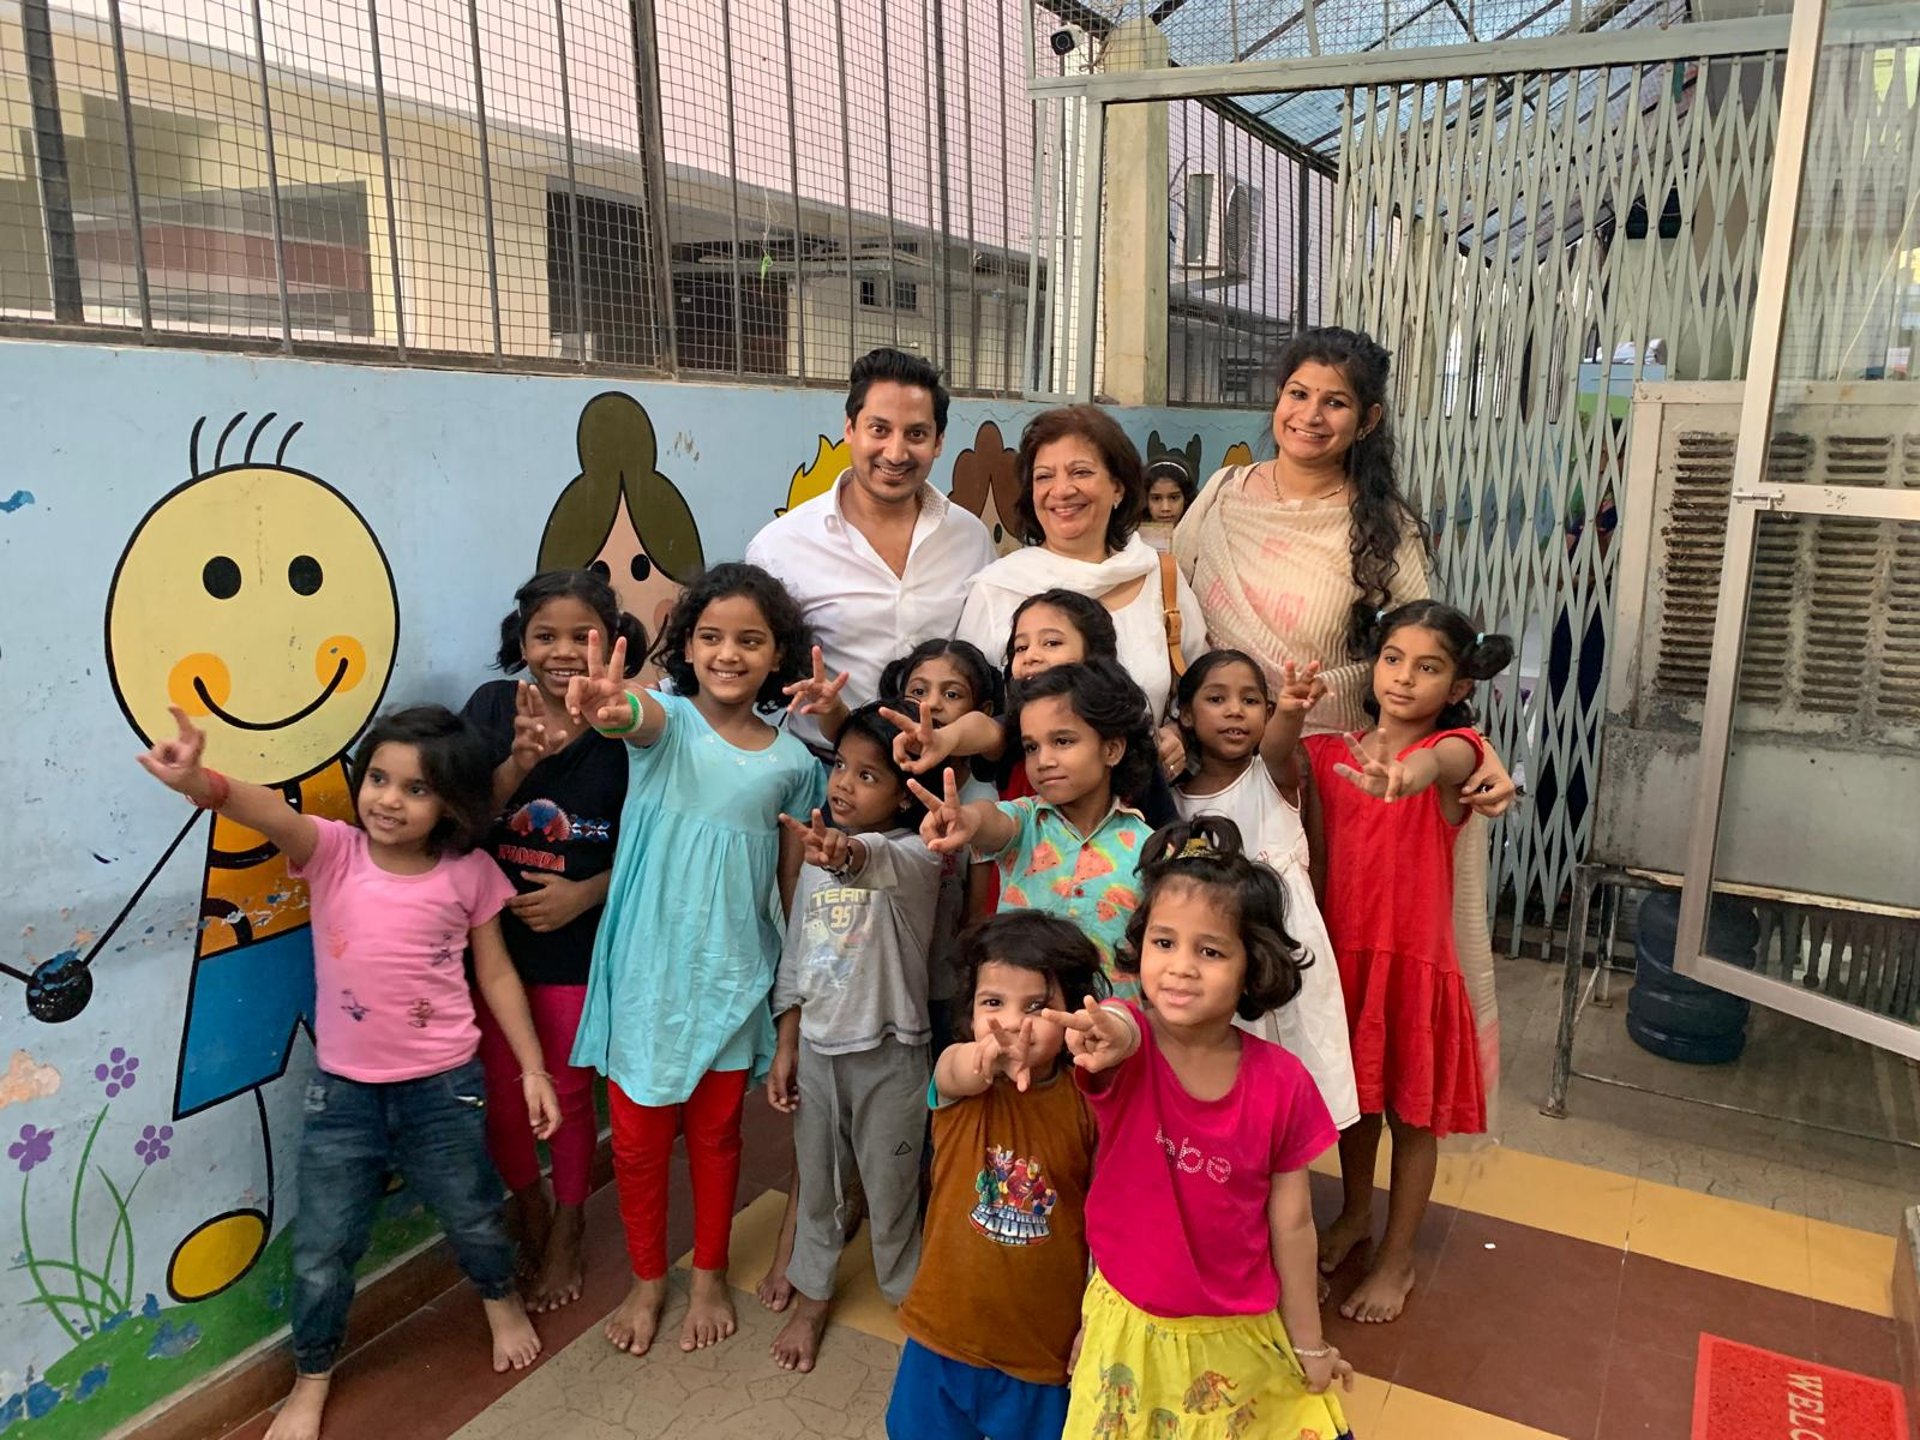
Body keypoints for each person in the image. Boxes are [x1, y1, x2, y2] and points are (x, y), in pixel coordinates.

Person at [135, 704, 561, 1440]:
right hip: (344, 1095)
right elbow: (266, 808)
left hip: (445, 1088)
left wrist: (532, 1069)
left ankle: (500, 1300)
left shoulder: (470, 874)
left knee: (474, 1214)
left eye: (417, 789)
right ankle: (312, 1376)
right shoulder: (333, 851)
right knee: (325, 1248)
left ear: (451, 803)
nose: (389, 800)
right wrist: (198, 780)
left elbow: (495, 975)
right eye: (380, 780)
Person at [564, 564, 824, 1357]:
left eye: (750, 640)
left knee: (716, 1140)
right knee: (638, 1146)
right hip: (648, 979)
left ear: (778, 653)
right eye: (711, 637)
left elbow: (791, 892)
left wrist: (787, 1011)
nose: (729, 653)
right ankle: (650, 1282)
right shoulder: (668, 723)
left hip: (735, 978)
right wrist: (613, 708)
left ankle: (708, 1271)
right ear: (687, 645)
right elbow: (631, 717)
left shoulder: (795, 765)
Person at [1046, 818, 1354, 1439]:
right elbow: (1121, 1024)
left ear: (1253, 964)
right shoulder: (1128, 1050)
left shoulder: (1282, 1082)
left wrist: (1311, 1344)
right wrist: (1111, 1029)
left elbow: (1293, 1227)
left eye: (1209, 951)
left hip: (1238, 1333)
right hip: (1127, 1327)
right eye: (1163, 943)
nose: (1180, 968)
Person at [1304, 601, 1513, 1324]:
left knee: (1412, 1119)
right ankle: (1356, 1213)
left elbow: (1445, 758)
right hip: (1345, 963)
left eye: (1429, 668)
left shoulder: (1459, 755)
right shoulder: (1331, 753)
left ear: (1457, 687)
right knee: (1356, 1105)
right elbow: (1271, 762)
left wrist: (1412, 769)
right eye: (1394, 659)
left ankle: (1399, 1259)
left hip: (1414, 966)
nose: (1404, 678)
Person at [463, 570, 646, 1313]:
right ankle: (528, 1204)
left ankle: (569, 1222)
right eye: (546, 636)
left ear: (612, 640)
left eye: (583, 636)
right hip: (494, 947)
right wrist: (519, 763)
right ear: (522, 641)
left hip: (578, 949)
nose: (563, 651)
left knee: (568, 1096)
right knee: (504, 1101)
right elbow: (463, 823)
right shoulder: (490, 708)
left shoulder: (633, 723)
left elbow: (649, 844)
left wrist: (583, 894)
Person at [766, 702, 942, 1374]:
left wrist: (844, 854)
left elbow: (868, 861)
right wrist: (787, 1043)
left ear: (904, 793)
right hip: (818, 1051)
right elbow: (797, 958)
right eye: (841, 767)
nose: (843, 783)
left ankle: (908, 1296)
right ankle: (814, 1296)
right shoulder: (815, 856)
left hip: (892, 1056)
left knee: (893, 1185)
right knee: (819, 1183)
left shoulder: (917, 857)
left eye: (868, 776)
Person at [886, 912, 1106, 1440]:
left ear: (1074, 1015)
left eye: (1036, 1006)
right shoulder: (961, 1084)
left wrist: (1096, 1322)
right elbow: (955, 1069)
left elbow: (1106, 1218)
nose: (1012, 1023)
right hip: (942, 1335)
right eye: (993, 1003)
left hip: (1041, 1351)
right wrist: (980, 1061)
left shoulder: (1088, 1105)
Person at [746, 347, 996, 745]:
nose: (895, 454)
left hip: (945, 775)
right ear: (850, 430)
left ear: (938, 441)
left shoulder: (970, 538)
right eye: (879, 429)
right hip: (827, 776)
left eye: (916, 434)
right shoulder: (780, 547)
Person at [1170, 649, 1359, 1129]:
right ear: (1187, 716)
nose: (1236, 710)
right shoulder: (1173, 797)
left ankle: (1290, 1176)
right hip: (1213, 949)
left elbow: (1276, 746)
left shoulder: (1272, 773)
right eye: (1217, 698)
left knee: (1294, 1064)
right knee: (1227, 1074)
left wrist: (1293, 711)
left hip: (1283, 944)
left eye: (1252, 700)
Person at [955, 405, 1205, 731]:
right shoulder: (996, 589)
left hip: (1146, 781)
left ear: (1118, 487)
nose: (1061, 490)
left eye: (1081, 472)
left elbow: (1199, 694)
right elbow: (968, 710)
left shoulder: (1160, 577)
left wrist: (1177, 736)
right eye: (1044, 476)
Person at [913, 658, 1156, 989]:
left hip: (1108, 1032)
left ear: (1112, 749)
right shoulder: (1027, 820)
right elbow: (991, 820)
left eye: (1063, 741)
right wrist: (967, 819)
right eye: (1031, 747)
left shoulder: (1151, 849)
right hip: (1020, 1028)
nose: (1043, 761)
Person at [1139, 453, 1198, 553]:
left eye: (1174, 498)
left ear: (1186, 499)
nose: (1165, 508)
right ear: (1145, 500)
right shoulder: (1132, 542)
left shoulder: (1201, 538)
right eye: (1156, 498)